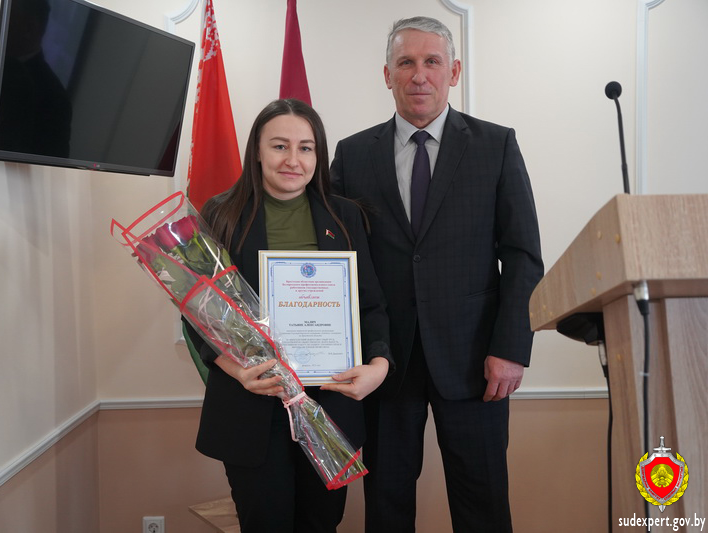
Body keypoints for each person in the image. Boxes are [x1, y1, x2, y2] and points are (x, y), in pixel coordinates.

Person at [330, 16, 544, 533]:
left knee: (483, 505)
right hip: (385, 361)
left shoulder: (495, 145)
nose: (419, 75)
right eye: (406, 62)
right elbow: (335, 257)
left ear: (455, 71)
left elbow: (522, 256)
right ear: (387, 75)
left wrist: (511, 348)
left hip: (477, 363)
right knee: (386, 506)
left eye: (432, 62)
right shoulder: (352, 155)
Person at [185, 98, 393, 533]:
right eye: (280, 146)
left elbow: (371, 305)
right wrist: (240, 372)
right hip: (251, 407)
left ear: (319, 155)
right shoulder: (221, 214)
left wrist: (379, 365)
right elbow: (198, 314)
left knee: (322, 523)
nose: (293, 160)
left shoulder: (345, 216)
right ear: (257, 151)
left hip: (330, 406)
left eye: (306, 148)